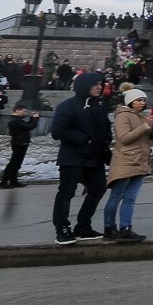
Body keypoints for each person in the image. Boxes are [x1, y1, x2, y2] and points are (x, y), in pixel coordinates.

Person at [49, 72, 113, 245]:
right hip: (73, 158)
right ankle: (62, 229)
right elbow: (58, 131)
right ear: (83, 86)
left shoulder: (99, 106)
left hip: (95, 158)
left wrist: (107, 139)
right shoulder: (67, 106)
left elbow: (106, 127)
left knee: (98, 188)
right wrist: (85, 139)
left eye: (100, 84)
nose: (99, 87)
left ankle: (83, 226)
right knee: (67, 193)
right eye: (94, 84)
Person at [103, 88, 153, 242]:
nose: (142, 103)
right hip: (126, 161)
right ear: (130, 101)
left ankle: (125, 228)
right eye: (139, 100)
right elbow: (124, 138)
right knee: (116, 197)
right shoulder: (122, 116)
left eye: (143, 100)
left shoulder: (140, 116)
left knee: (130, 198)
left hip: (140, 161)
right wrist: (145, 126)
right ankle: (109, 228)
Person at [0, 104, 40, 189]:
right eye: (23, 111)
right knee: (13, 164)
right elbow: (30, 126)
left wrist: (33, 118)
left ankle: (13, 181)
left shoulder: (18, 119)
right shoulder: (14, 120)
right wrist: (35, 119)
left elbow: (27, 126)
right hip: (18, 143)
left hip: (22, 143)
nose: (25, 113)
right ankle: (3, 183)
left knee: (17, 164)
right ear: (17, 111)